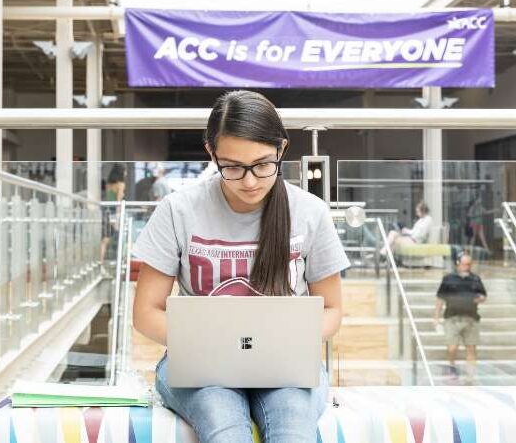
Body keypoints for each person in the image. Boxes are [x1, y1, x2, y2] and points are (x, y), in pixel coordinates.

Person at [132, 90, 350, 442]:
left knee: (293, 430)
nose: (250, 182)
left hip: (285, 367)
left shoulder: (309, 212)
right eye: (232, 167)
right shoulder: (178, 210)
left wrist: (279, 345)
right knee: (224, 428)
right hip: (199, 367)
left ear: (282, 148)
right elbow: (145, 313)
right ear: (211, 153)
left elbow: (333, 309)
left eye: (263, 164)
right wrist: (217, 345)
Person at [433, 253, 487, 383]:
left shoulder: (475, 279)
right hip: (452, 317)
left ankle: (470, 377)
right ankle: (451, 366)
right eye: (464, 264)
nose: (466, 267)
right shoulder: (448, 279)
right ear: (458, 263)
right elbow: (440, 298)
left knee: (471, 348)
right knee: (452, 346)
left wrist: (480, 299)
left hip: (471, 318)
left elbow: (483, 295)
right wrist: (436, 317)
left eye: (468, 264)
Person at [99, 164, 126, 273]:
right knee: (120, 239)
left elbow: (109, 199)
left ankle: (100, 265)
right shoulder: (121, 184)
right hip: (115, 213)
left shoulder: (108, 184)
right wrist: (118, 218)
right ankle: (120, 265)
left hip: (106, 212)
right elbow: (118, 202)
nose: (126, 173)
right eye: (125, 171)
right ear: (121, 172)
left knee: (105, 240)